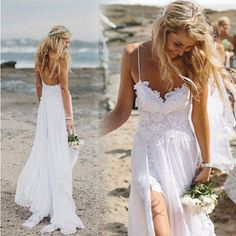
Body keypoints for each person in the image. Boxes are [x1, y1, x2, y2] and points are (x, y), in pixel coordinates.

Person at [100, 1, 235, 235]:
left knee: (180, 221)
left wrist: (206, 164)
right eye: (177, 43)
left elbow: (199, 118)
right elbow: (122, 112)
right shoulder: (133, 55)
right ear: (164, 29)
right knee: (154, 206)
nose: (180, 51)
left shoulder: (194, 63)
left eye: (188, 47)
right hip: (147, 148)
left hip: (182, 151)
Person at [15, 25, 85, 234]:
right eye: (66, 40)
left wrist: (42, 105)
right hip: (58, 108)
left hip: (45, 106)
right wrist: (69, 117)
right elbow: (64, 88)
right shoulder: (61, 58)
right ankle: (57, 199)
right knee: (60, 151)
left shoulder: (40, 57)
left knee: (46, 150)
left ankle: (45, 196)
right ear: (58, 40)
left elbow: (38, 86)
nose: (68, 44)